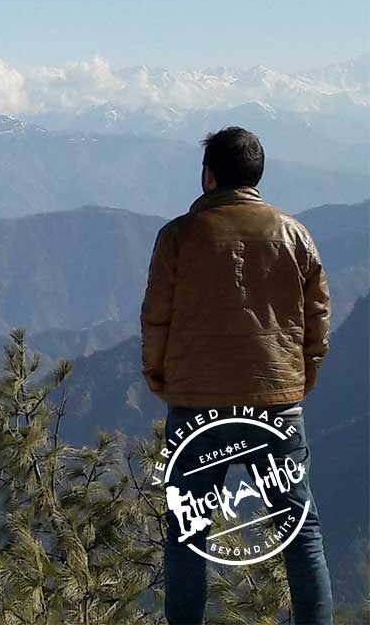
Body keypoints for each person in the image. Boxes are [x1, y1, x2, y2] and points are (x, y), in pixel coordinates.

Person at [142, 126, 332, 624]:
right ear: (257, 176)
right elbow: (317, 319)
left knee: (189, 531)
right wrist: (302, 377)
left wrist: (159, 377)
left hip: (196, 403)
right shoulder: (295, 236)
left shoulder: (178, 237)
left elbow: (156, 317)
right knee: (299, 528)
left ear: (208, 177)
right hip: (277, 402)